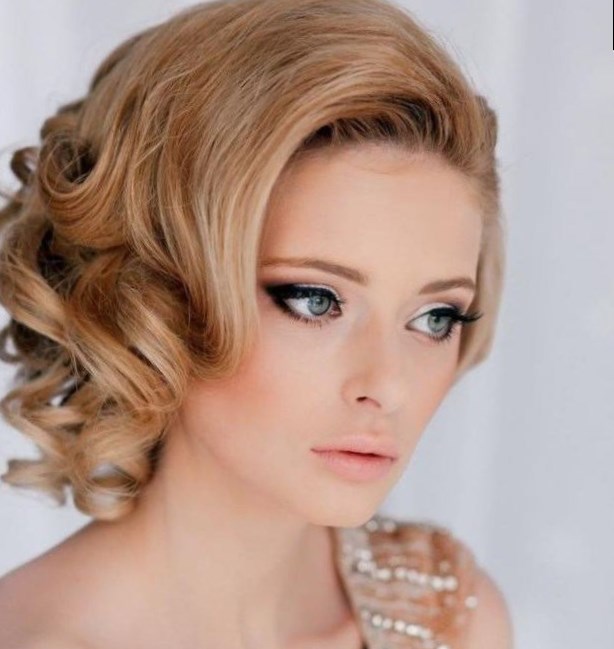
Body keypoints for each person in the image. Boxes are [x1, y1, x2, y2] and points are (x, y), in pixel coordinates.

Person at [0, 0, 513, 647]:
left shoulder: (450, 616)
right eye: (315, 301)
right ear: (160, 296)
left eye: (435, 316)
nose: (390, 385)